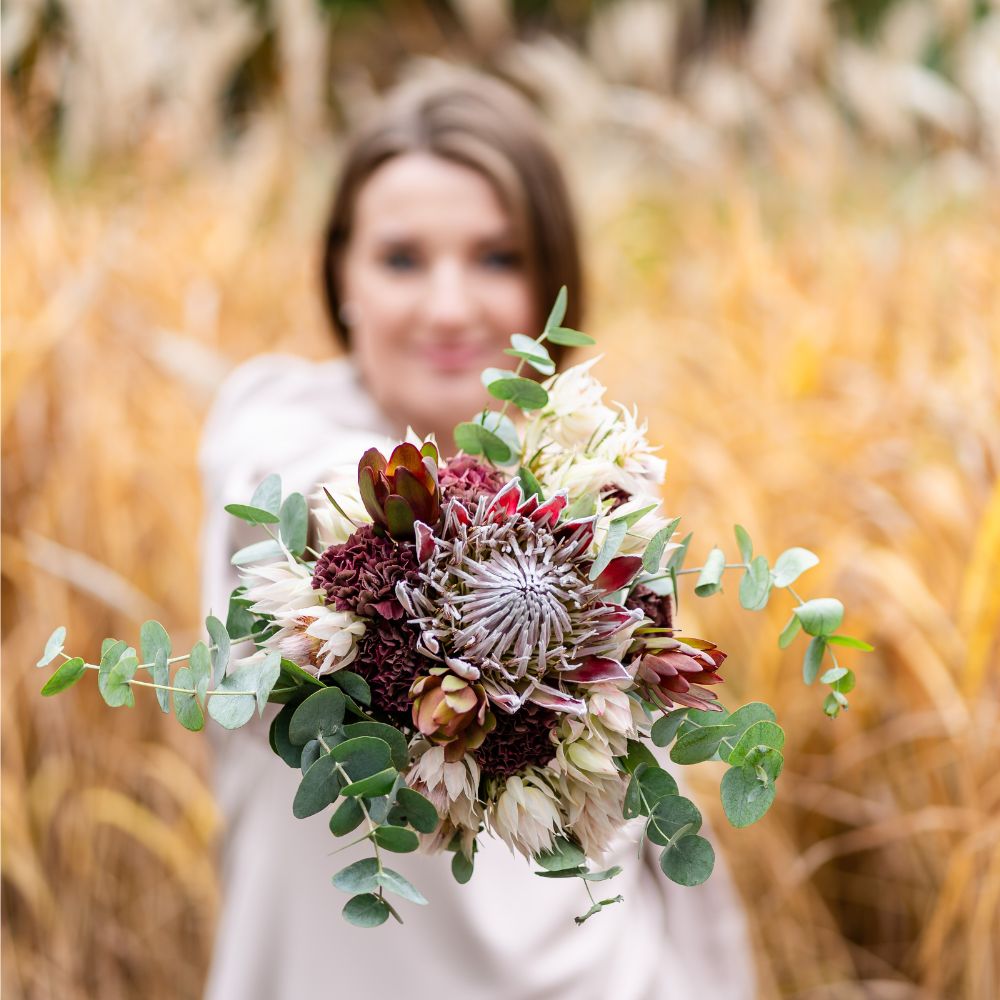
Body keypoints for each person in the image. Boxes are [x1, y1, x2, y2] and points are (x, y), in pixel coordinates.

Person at [199, 72, 755, 1000]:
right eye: (403, 259)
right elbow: (309, 504)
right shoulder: (273, 431)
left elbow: (654, 798)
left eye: (497, 258)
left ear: (552, 280)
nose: (451, 308)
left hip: (595, 970)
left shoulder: (597, 488)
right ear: (342, 276)